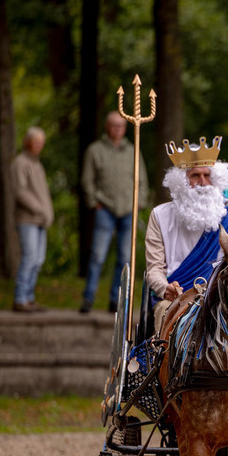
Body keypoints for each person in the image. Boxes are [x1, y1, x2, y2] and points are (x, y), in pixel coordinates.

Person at [145, 136, 228, 334]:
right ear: (182, 181)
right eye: (195, 176)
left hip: (220, 299)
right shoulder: (160, 215)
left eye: (207, 175)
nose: (203, 182)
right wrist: (164, 288)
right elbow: (154, 268)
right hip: (174, 299)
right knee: (166, 315)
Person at [80, 111, 149, 313]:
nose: (117, 130)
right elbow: (87, 180)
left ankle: (115, 300)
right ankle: (88, 298)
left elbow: (142, 180)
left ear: (125, 128)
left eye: (120, 126)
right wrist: (94, 202)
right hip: (105, 208)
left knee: (124, 257)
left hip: (129, 210)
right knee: (97, 256)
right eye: (113, 126)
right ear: (106, 127)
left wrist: (139, 203)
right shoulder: (95, 150)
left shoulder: (133, 151)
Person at [10, 127, 55, 313]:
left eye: (41, 143)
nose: (39, 146)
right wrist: (37, 208)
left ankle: (29, 298)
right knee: (29, 258)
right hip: (27, 219)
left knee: (38, 260)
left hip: (40, 220)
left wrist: (47, 212)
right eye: (36, 142)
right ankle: (20, 298)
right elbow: (20, 191)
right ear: (28, 142)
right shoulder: (20, 163)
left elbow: (43, 193)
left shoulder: (37, 164)